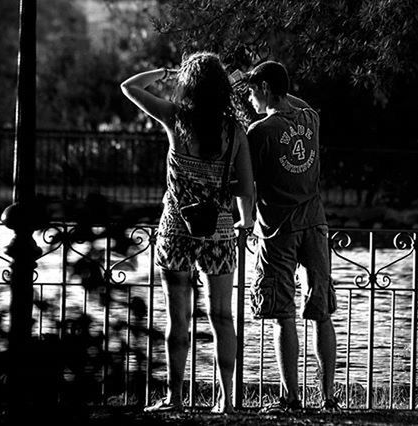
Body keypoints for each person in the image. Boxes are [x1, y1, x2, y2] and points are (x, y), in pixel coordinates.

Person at [120, 52, 254, 414]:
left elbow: (129, 87)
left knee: (178, 318)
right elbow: (246, 187)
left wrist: (166, 72)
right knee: (222, 317)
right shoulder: (234, 131)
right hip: (221, 233)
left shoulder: (175, 118)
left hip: (177, 229)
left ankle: (175, 398)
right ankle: (226, 401)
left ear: (188, 84)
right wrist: (247, 222)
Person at [244, 61, 339, 413]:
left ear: (266, 88)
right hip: (315, 225)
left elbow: (247, 184)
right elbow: (297, 103)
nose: (249, 97)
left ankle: (291, 398)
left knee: (283, 313)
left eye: (253, 90)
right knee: (321, 312)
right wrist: (276, 86)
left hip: (278, 230)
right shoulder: (309, 120)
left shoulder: (259, 132)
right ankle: (328, 398)